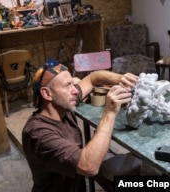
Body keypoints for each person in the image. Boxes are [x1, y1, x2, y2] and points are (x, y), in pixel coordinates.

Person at [22, 62, 139, 192]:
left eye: (72, 83)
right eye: (67, 86)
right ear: (47, 94)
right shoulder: (39, 134)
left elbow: (93, 78)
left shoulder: (62, 104)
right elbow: (88, 167)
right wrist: (109, 113)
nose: (75, 90)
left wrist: (121, 79)